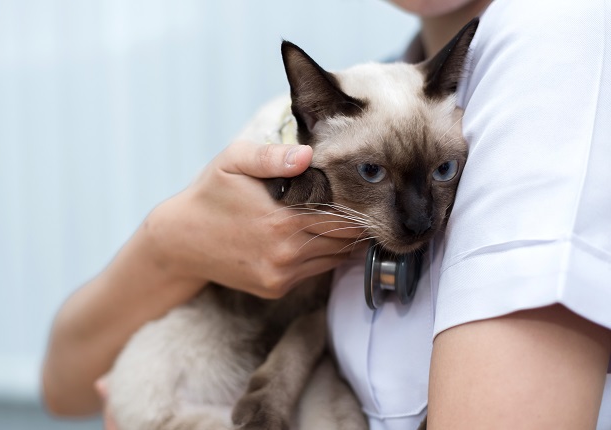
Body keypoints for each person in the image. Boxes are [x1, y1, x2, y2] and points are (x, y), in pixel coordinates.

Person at [42, 0, 611, 428]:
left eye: (441, 174)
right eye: (370, 174)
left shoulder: (559, 48)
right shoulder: (366, 97)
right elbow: (64, 384)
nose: (419, 221)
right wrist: (170, 238)